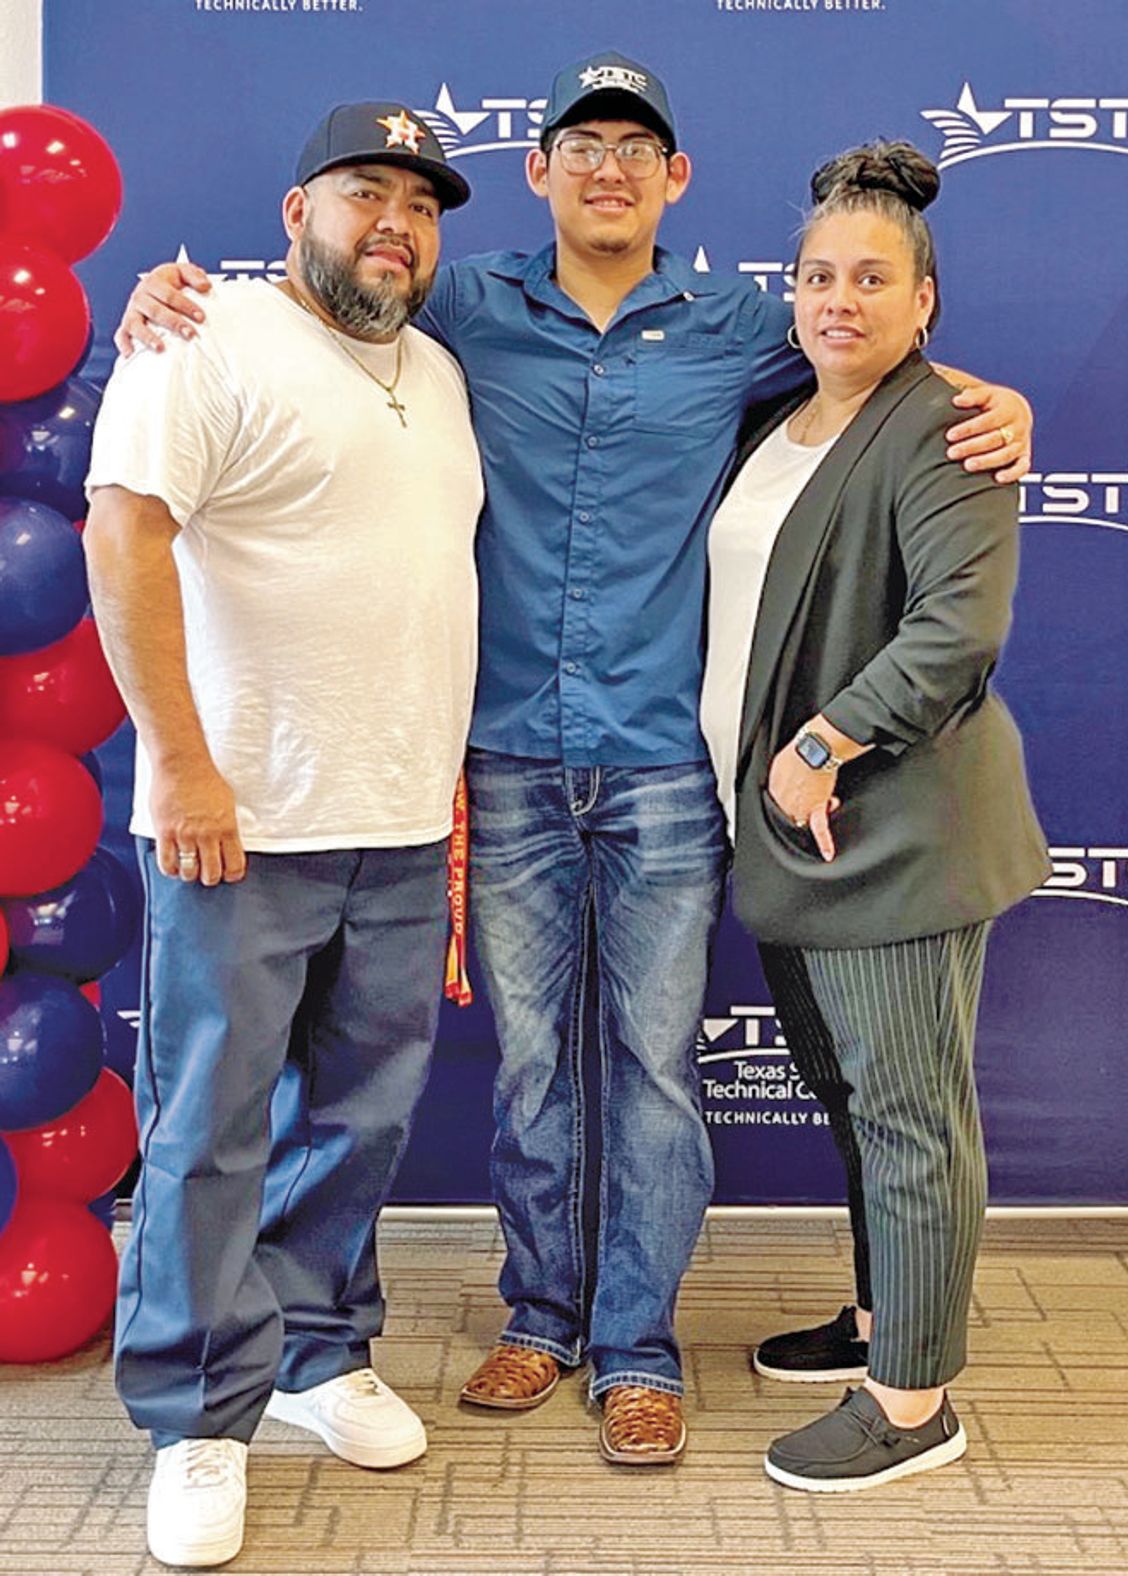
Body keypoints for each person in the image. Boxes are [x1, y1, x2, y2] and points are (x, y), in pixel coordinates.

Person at [115, 53, 1033, 1469]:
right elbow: (304, 304)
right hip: (500, 769)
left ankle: (636, 1348)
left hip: (665, 768)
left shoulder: (744, 318)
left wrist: (993, 399)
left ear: (674, 180)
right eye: (578, 143)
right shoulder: (455, 308)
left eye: (637, 147)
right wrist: (167, 304)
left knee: (656, 1071)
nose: (607, 166)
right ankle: (539, 1319)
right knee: (534, 1069)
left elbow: (875, 350)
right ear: (537, 174)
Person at [84, 103, 483, 1567]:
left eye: (421, 205)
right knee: (206, 1130)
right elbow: (121, 537)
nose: (394, 221)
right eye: (364, 193)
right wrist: (181, 768)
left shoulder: (436, 369)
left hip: (395, 817)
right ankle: (195, 1417)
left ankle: (317, 1352)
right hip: (234, 823)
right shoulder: (203, 339)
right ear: (294, 206)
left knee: (361, 1117)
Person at [701, 140, 1049, 1491]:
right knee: (857, 1100)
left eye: (871, 278)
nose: (838, 298)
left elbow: (960, 631)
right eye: (817, 274)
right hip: (793, 835)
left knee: (911, 1116)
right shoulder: (778, 415)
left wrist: (823, 740)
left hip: (889, 829)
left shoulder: (947, 425)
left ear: (925, 302)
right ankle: (876, 1319)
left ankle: (914, 1403)